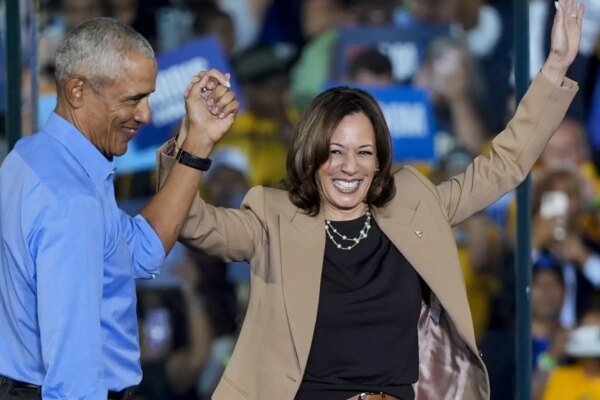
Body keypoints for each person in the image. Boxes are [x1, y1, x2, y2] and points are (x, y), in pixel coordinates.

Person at [157, 1, 584, 398]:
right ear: (312, 154)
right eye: (335, 151)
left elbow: (503, 164)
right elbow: (191, 223)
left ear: (380, 159)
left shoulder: (413, 204)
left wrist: (557, 67)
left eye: (363, 153)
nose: (349, 167)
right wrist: (193, 139)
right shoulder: (273, 216)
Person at [0, 18, 239, 400]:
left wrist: (197, 140)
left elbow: (138, 252)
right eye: (132, 99)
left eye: (147, 97)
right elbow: (73, 377)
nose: (145, 115)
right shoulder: (70, 199)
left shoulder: (31, 157)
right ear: (77, 90)